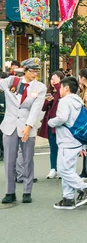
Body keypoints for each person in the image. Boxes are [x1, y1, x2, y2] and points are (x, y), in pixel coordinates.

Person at [0, 58, 47, 205]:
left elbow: (36, 108)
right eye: (32, 71)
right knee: (9, 160)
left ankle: (27, 191)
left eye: (36, 71)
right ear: (24, 70)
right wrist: (14, 73)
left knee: (27, 160)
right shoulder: (12, 81)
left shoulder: (40, 87)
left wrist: (28, 126)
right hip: (9, 125)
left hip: (27, 126)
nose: (34, 74)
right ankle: (10, 192)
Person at [48, 77, 87, 209]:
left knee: (63, 170)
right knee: (68, 170)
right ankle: (68, 199)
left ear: (66, 88)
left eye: (61, 88)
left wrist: (51, 122)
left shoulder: (64, 101)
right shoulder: (78, 101)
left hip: (66, 140)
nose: (60, 90)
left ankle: (85, 189)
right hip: (76, 140)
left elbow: (62, 118)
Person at [39, 71, 65, 179]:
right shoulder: (50, 92)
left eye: (55, 78)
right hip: (50, 122)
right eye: (51, 79)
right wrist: (48, 100)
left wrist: (58, 84)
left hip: (60, 123)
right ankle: (53, 168)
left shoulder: (63, 91)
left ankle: (61, 169)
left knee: (61, 147)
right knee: (53, 146)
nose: (52, 81)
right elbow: (43, 107)